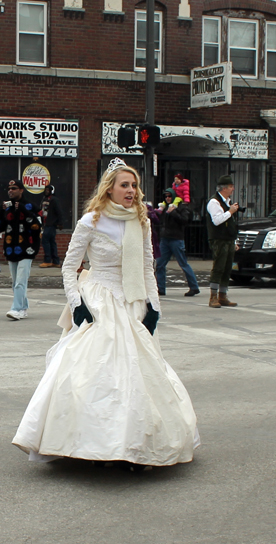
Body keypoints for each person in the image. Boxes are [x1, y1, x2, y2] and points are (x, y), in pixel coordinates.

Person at [12, 157, 200, 469]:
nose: (131, 190)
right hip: (99, 302)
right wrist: (77, 306)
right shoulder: (91, 221)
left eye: (134, 185)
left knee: (137, 378)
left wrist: (154, 307)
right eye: (124, 185)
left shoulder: (140, 220)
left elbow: (147, 269)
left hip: (132, 301)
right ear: (109, 189)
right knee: (94, 375)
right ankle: (92, 447)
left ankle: (133, 446)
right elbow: (69, 269)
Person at [1, 179, 42, 320]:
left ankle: (16, 308)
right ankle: (23, 307)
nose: (10, 191)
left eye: (14, 188)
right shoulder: (7, 208)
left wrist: (23, 210)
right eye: (9, 188)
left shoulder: (31, 206)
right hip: (11, 249)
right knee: (15, 282)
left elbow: (38, 226)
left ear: (21, 190)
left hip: (28, 249)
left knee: (20, 281)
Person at [156, 188, 200, 297]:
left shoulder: (181, 207)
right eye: (166, 196)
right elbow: (160, 219)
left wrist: (174, 211)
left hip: (176, 239)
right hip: (165, 239)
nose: (167, 198)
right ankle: (160, 288)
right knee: (159, 264)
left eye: (169, 196)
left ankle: (194, 287)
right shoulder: (164, 207)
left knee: (183, 263)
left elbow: (184, 220)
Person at [206, 175, 239, 308]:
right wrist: (230, 212)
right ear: (223, 188)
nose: (233, 189)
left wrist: (234, 241)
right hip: (219, 240)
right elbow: (217, 220)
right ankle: (213, 296)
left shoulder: (227, 202)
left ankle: (223, 295)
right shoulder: (214, 202)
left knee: (227, 268)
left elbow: (230, 224)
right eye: (231, 187)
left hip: (228, 240)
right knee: (219, 267)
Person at [39, 184, 63, 268]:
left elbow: (59, 212)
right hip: (45, 223)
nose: (46, 192)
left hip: (51, 224)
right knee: (52, 242)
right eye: (45, 190)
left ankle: (47, 260)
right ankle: (56, 261)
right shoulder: (44, 199)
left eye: (48, 190)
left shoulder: (54, 200)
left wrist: (60, 223)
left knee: (45, 240)